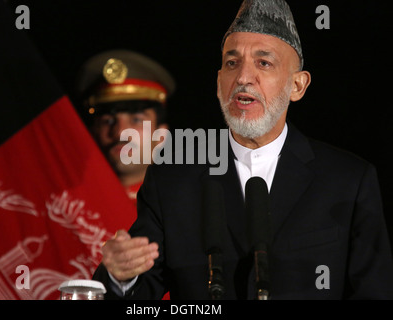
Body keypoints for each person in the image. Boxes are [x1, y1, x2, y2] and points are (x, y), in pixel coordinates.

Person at [93, 0, 393, 299]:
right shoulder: (172, 179)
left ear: (297, 86)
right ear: (219, 81)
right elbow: (138, 297)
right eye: (232, 63)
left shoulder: (348, 180)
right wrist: (122, 277)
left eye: (264, 63)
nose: (243, 78)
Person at [75, 50, 175, 203]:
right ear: (93, 133)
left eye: (136, 119)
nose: (120, 132)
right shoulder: (69, 205)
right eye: (108, 121)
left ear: (161, 136)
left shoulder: (186, 208)